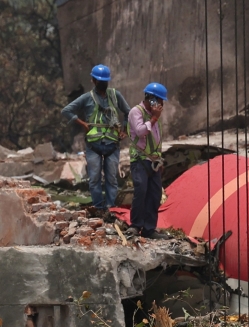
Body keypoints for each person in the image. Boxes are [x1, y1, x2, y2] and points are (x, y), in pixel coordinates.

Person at [61, 64, 130, 221]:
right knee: (94, 179)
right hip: (93, 145)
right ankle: (99, 208)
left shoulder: (115, 95)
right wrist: (82, 123)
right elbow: (66, 111)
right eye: (99, 80)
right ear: (93, 80)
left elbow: (128, 112)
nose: (102, 83)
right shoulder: (87, 98)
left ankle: (112, 210)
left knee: (112, 178)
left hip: (112, 144)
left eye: (104, 80)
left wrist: (125, 129)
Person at [128, 82, 169, 240]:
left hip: (154, 161)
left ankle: (149, 229)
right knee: (141, 191)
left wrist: (159, 161)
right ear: (151, 99)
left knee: (155, 194)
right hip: (140, 160)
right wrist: (153, 118)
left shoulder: (155, 116)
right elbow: (140, 131)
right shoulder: (136, 112)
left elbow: (156, 140)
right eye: (160, 101)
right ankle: (135, 225)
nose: (161, 105)